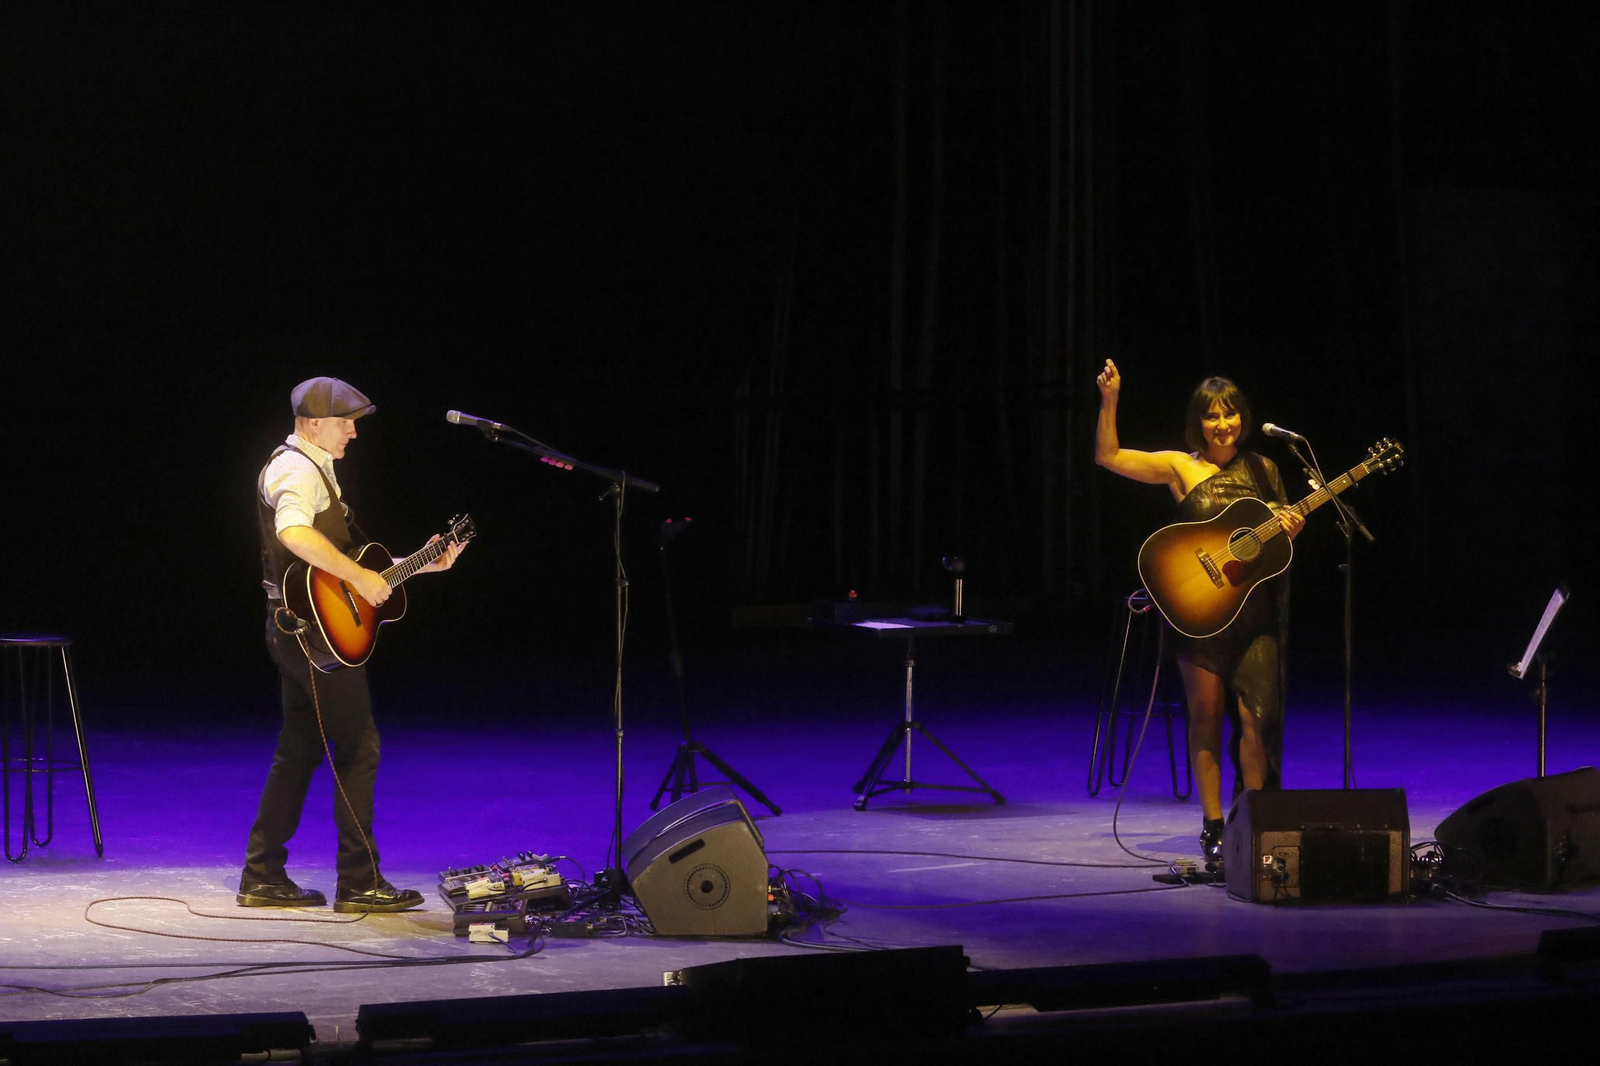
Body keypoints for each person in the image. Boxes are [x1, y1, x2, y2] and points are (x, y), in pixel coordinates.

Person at [240, 376, 465, 911]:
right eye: (346, 423)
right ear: (314, 423)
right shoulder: (295, 469)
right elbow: (293, 533)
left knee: (298, 749)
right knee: (360, 749)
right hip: (315, 640)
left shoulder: (318, 466)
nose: (354, 434)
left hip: (300, 628)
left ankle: (261, 874)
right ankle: (360, 881)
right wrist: (361, 579)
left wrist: (419, 566)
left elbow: (349, 572)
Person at [1093, 359, 1303, 871]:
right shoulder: (1179, 466)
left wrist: (1291, 528)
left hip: (1254, 615)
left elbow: (1275, 545)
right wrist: (1111, 400)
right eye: (1212, 416)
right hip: (1198, 615)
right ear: (1198, 423)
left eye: (1231, 414)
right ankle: (1212, 825)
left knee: (1258, 718)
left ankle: (1254, 820)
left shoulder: (1264, 469)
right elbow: (1109, 456)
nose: (1223, 424)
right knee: (1206, 718)